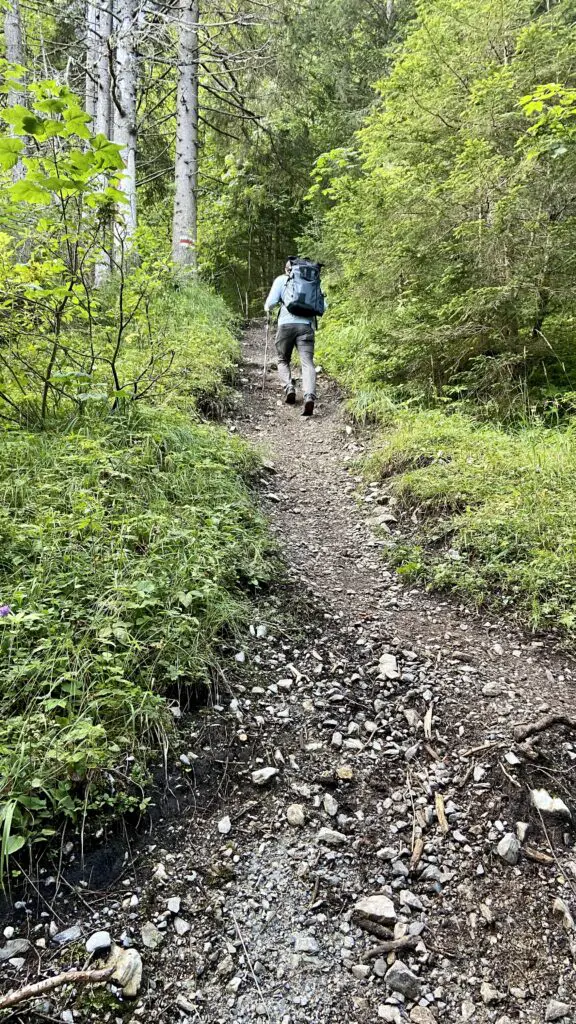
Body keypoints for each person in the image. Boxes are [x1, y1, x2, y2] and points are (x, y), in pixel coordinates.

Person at [264, 259, 322, 417]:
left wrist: (267, 309)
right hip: (306, 327)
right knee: (307, 363)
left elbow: (270, 303)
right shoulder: (312, 280)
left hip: (285, 326)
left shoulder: (282, 280)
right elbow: (324, 305)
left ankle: (289, 387)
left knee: (283, 359)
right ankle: (309, 395)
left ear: (286, 269)